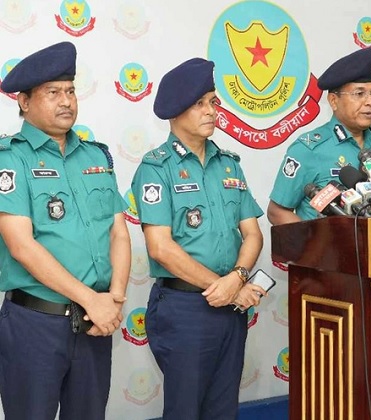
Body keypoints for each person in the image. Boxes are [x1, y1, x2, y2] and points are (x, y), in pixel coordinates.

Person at [0, 41, 130, 420]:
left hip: (95, 323)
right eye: (53, 92)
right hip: (36, 324)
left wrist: (113, 299)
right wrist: (92, 300)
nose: (66, 102)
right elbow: (21, 246)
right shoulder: (11, 159)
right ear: (24, 102)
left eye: (70, 91)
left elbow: (118, 233)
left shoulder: (96, 156)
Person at [130, 58, 266, 419]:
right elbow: (160, 246)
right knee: (185, 410)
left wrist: (236, 279)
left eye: (213, 101)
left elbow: (252, 232)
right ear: (176, 110)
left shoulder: (229, 164)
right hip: (185, 307)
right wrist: (225, 287)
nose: (211, 111)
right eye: (200, 103)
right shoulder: (157, 168)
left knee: (224, 409)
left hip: (230, 306)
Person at [267, 46, 371, 224]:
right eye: (359, 93)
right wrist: (313, 245)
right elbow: (277, 211)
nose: (370, 102)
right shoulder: (309, 150)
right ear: (334, 101)